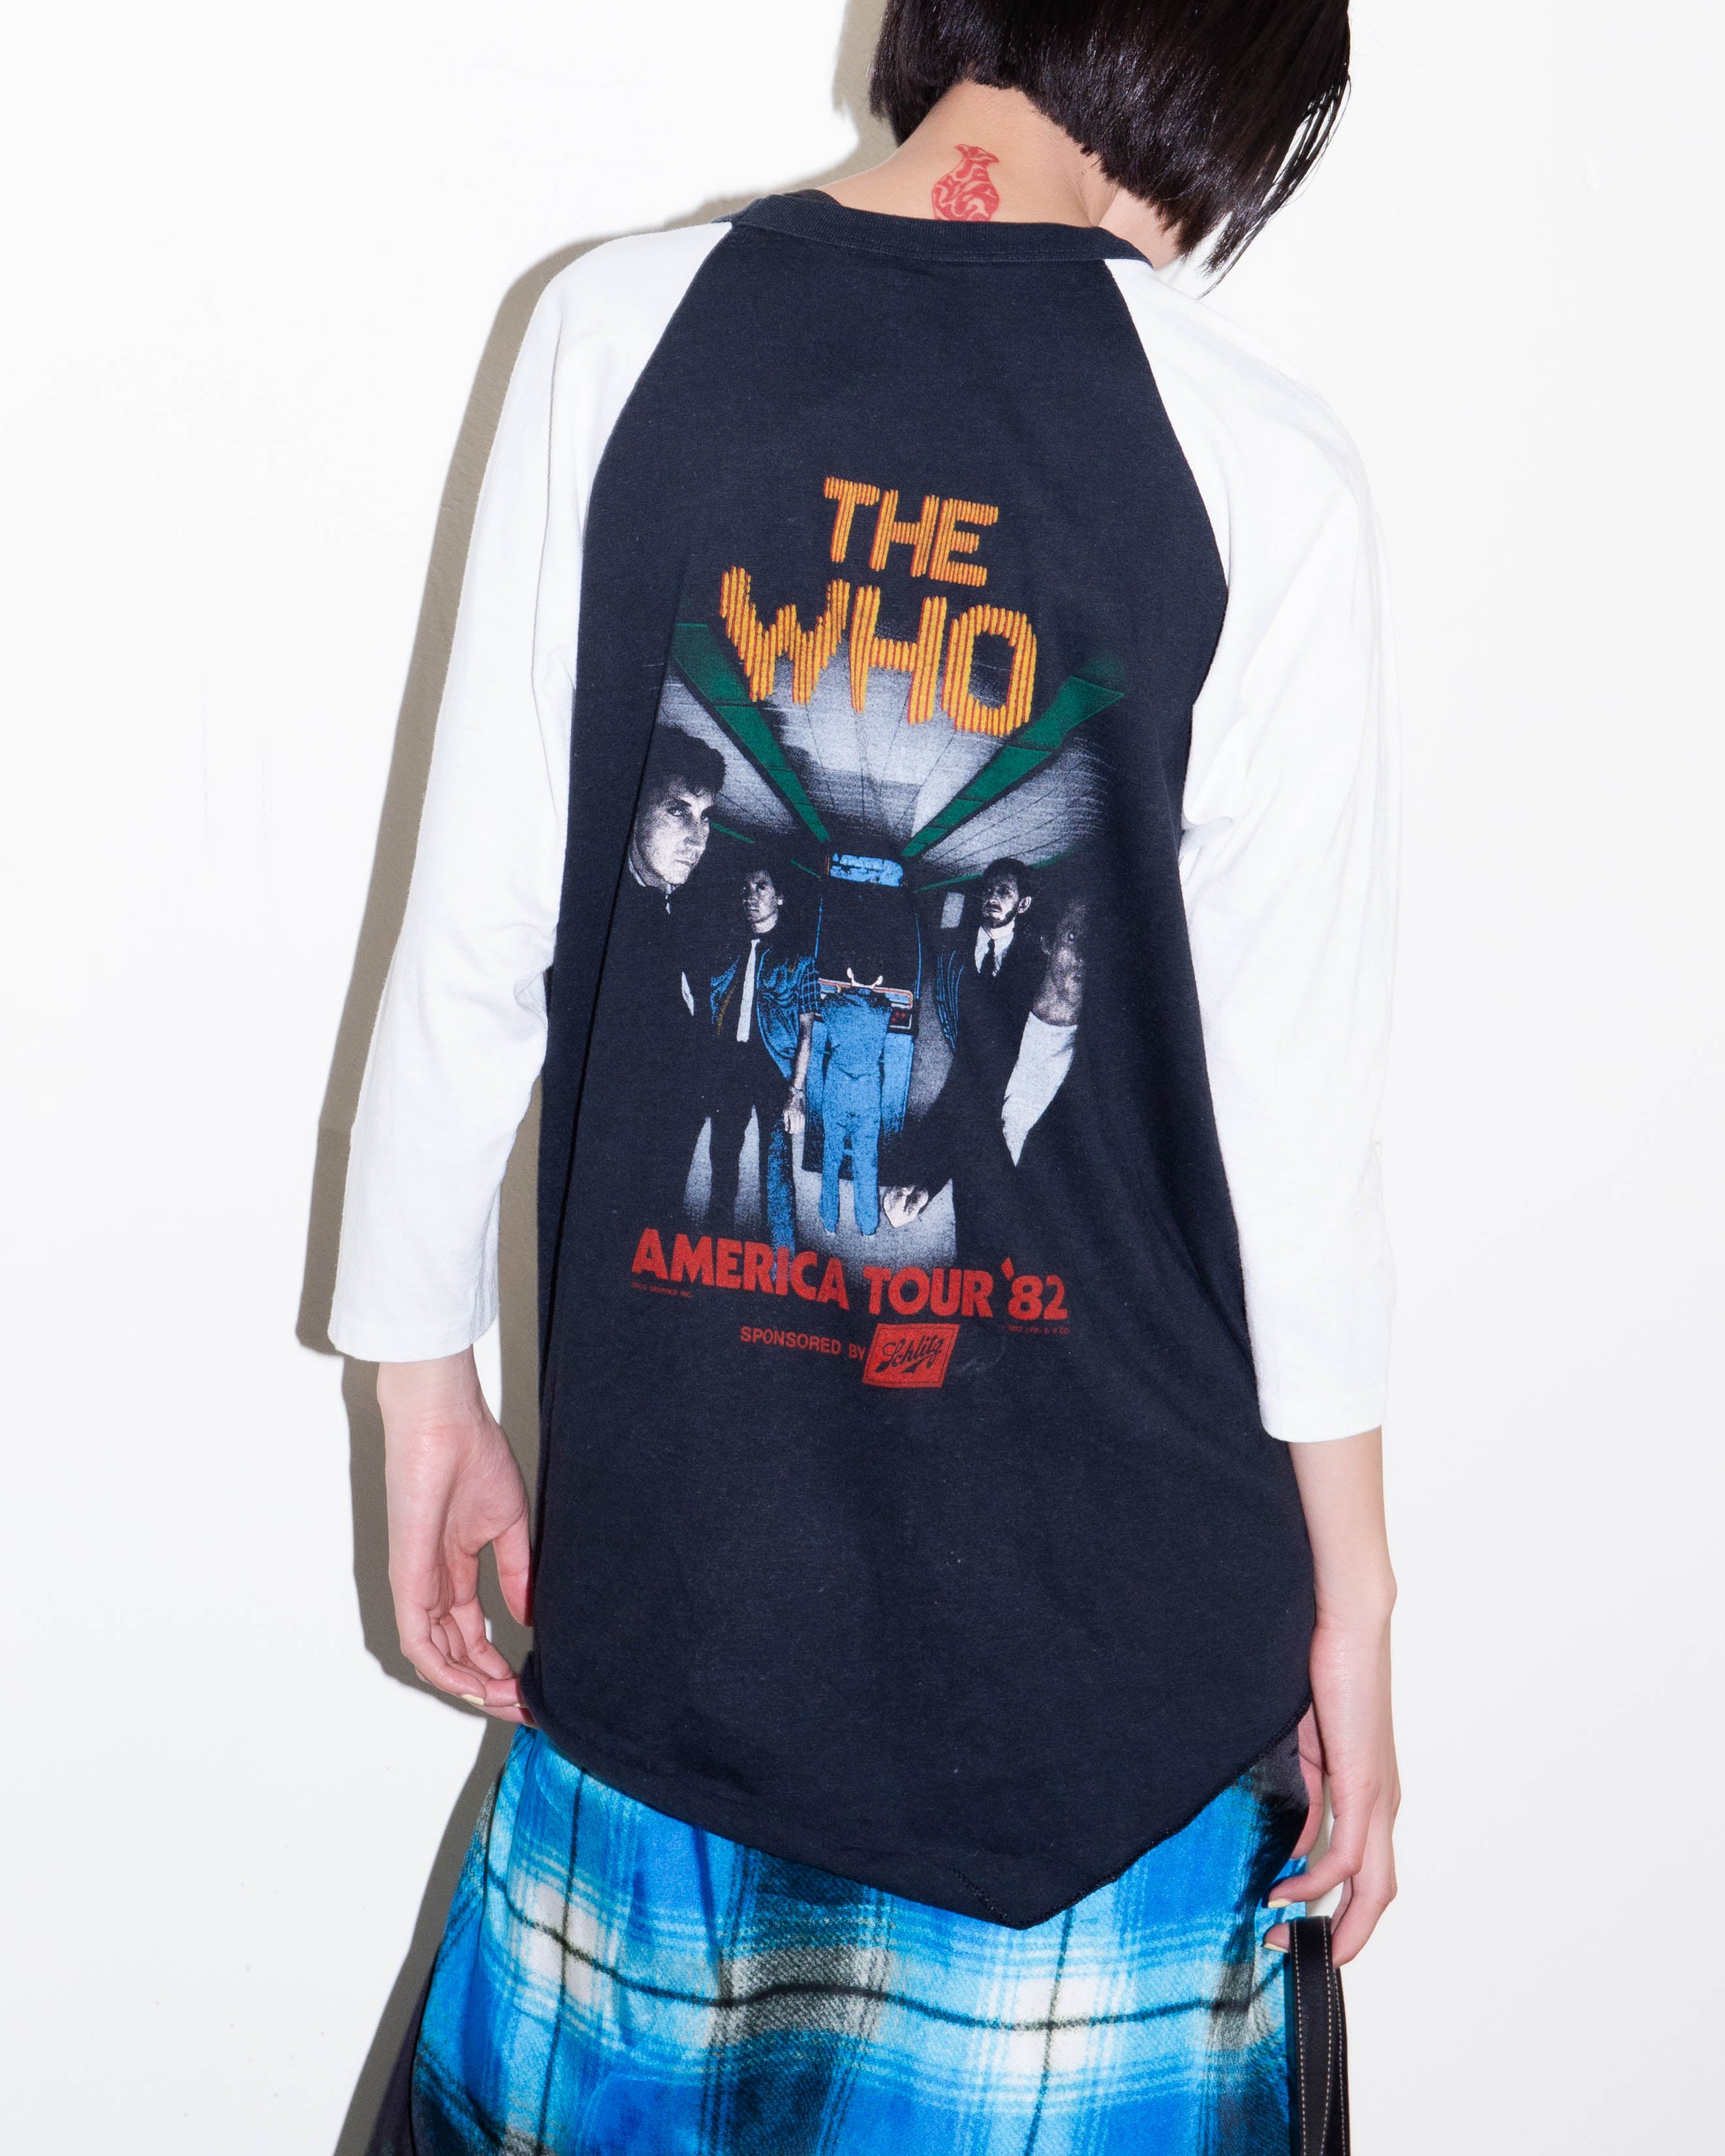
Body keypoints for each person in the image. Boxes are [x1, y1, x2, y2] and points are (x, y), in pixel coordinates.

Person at [330, 3, 1400, 2149]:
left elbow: (473, 941)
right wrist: (1354, 1603)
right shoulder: (1256, 458)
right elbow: (1297, 1130)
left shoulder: (616, 331)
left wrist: (417, 1390)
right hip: (1104, 1705)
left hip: (680, 1616)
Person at [886, 893, 1091, 1266]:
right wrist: (921, 1185)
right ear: (1049, 943)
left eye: (1099, 946)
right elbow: (959, 1110)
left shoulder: (1109, 1058)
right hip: (980, 1238)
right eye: (1075, 937)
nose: (1085, 957)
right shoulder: (996, 1016)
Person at [706, 858, 817, 1251]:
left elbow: (807, 1031)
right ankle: (714, 1245)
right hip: (730, 1068)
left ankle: (782, 1257)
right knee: (722, 1158)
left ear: (780, 897)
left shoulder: (800, 960)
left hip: (774, 1072)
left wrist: (796, 1092)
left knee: (776, 1169)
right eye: (746, 889)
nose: (750, 896)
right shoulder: (727, 949)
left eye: (761, 887)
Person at [816, 970, 892, 1236]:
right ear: (879, 979)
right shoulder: (884, 1009)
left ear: (848, 972)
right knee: (866, 1159)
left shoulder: (832, 1005)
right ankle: (868, 1226)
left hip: (837, 1086)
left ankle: (829, 1222)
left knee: (831, 1154)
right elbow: (877, 1005)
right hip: (867, 1091)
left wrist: (840, 994)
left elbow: (827, 1007)